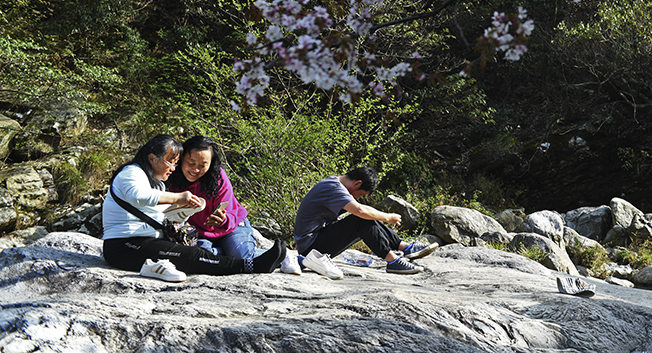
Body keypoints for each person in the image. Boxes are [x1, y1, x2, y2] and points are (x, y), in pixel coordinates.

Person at [101, 134, 287, 282]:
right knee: (194, 255)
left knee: (194, 254)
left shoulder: (156, 182)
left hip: (146, 242)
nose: (173, 168)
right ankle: (249, 266)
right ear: (152, 158)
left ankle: (260, 261)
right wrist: (179, 198)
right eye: (171, 162)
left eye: (175, 163)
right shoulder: (132, 172)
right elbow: (139, 196)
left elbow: (158, 215)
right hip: (124, 245)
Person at [166, 135, 297, 272]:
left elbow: (229, 212)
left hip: (231, 227)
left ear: (211, 164)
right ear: (181, 159)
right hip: (199, 233)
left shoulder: (218, 178)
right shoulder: (171, 177)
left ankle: (290, 258)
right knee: (202, 258)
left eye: (202, 165)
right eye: (191, 163)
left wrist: (223, 219)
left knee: (242, 256)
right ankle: (227, 255)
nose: (195, 170)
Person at [292, 166, 438, 278]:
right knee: (360, 218)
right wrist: (387, 217)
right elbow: (360, 211)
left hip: (317, 241)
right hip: (310, 249)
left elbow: (362, 210)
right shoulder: (332, 188)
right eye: (360, 194)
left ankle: (404, 247)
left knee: (364, 217)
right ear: (357, 183)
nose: (357, 198)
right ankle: (392, 261)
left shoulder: (334, 183)